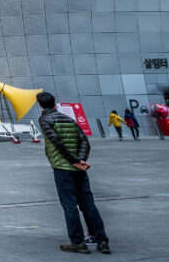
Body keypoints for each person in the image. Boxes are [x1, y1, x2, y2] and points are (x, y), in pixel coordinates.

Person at [37, 92, 110, 255]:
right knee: (88, 204)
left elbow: (56, 142)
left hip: (63, 168)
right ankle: (102, 240)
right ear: (55, 103)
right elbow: (84, 141)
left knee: (69, 205)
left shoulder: (44, 120)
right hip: (78, 169)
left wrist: (73, 160)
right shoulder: (69, 119)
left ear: (40, 105)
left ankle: (77, 242)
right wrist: (81, 160)